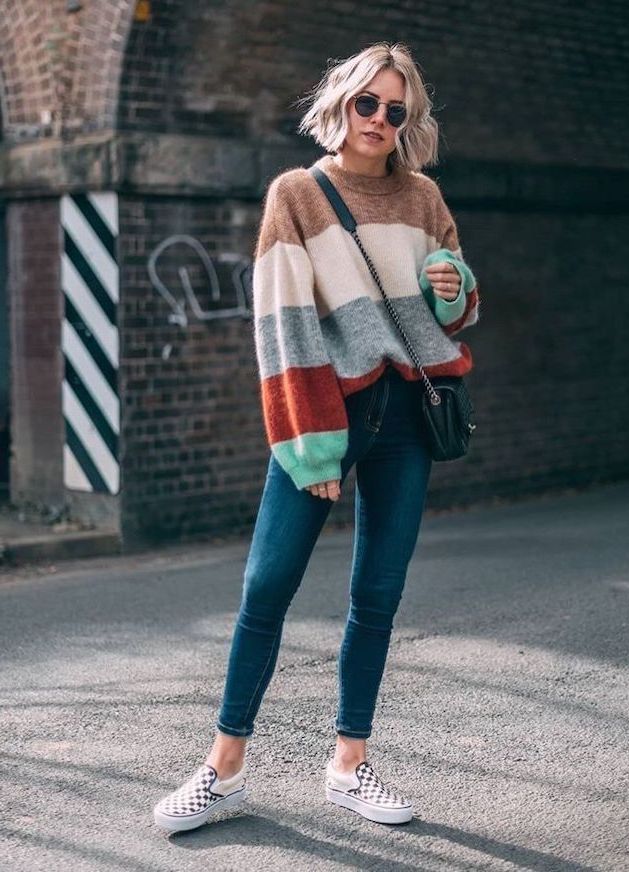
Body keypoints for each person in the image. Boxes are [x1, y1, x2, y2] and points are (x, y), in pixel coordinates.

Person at [153, 40, 480, 833]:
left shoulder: (426, 198)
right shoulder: (297, 194)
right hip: (326, 411)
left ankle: (350, 763)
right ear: (341, 103)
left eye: (396, 110)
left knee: (378, 597)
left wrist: (455, 289)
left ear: (410, 121)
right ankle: (224, 768)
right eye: (368, 102)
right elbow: (283, 325)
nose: (379, 119)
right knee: (266, 589)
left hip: (408, 415)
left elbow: (459, 308)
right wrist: (309, 439)